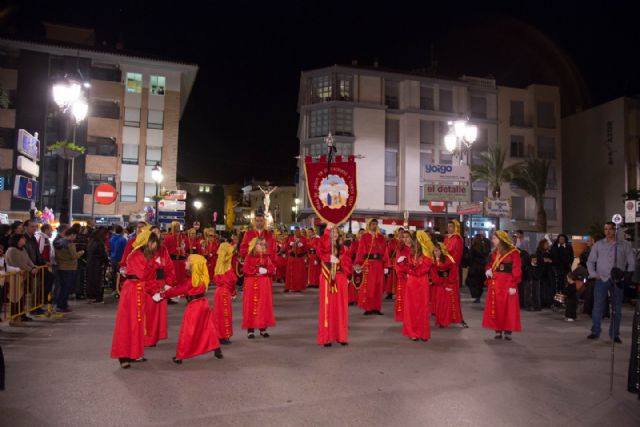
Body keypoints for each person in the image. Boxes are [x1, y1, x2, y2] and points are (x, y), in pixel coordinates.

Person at [155, 254, 223, 363]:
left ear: (193, 266)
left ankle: (180, 356)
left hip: (194, 306)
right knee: (208, 327)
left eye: (187, 261)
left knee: (188, 331)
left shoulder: (192, 281)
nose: (184, 263)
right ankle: (217, 349)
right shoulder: (201, 278)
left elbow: (179, 290)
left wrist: (162, 294)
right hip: (203, 304)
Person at [110, 229, 158, 369]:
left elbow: (149, 276)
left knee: (137, 323)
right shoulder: (137, 255)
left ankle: (134, 353)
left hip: (138, 290)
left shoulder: (146, 255)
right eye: (154, 242)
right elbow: (143, 275)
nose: (156, 245)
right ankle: (123, 355)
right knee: (127, 323)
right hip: (132, 291)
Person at [586, 221, 635, 344]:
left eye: (610, 229)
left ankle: (615, 334)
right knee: (598, 307)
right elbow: (590, 261)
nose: (608, 231)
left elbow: (632, 262)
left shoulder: (624, 245)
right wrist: (593, 274)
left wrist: (626, 276)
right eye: (605, 229)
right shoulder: (598, 245)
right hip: (601, 279)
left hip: (617, 281)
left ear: (615, 230)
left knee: (617, 309)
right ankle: (595, 331)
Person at [482, 230, 522, 341]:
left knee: (509, 308)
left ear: (501, 240)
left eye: (494, 238)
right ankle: (498, 330)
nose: (492, 240)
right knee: (497, 308)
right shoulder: (495, 252)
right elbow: (490, 264)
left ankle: (508, 331)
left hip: (508, 284)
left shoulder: (514, 252)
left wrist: (513, 284)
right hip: (496, 284)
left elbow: (517, 269)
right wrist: (488, 270)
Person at [317, 226, 351, 347]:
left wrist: (346, 275)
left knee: (341, 307)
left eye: (336, 231)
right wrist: (328, 258)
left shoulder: (343, 249)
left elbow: (347, 263)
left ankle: (341, 336)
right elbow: (320, 251)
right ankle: (327, 337)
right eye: (332, 231)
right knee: (328, 306)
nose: (334, 233)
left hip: (340, 278)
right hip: (327, 278)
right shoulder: (325, 246)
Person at [144, 225, 176, 347]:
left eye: (158, 232)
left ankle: (154, 337)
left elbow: (169, 267)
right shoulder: (144, 249)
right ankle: (147, 338)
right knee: (148, 314)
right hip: (149, 287)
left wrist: (168, 284)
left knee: (158, 315)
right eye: (154, 232)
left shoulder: (163, 250)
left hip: (160, 285)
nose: (157, 234)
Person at [242, 237, 276, 338]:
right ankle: (250, 330)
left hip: (263, 284)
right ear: (254, 245)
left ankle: (262, 328)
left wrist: (266, 271)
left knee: (263, 305)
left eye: (264, 244)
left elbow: (272, 269)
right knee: (251, 305)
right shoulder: (249, 257)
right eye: (260, 244)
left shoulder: (266, 257)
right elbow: (245, 269)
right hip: (251, 283)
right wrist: (257, 270)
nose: (263, 246)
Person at [402, 230, 433, 342]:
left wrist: (412, 269)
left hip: (422, 282)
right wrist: (408, 267)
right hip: (412, 282)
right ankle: (413, 332)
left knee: (423, 307)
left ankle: (423, 333)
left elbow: (424, 269)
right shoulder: (411, 252)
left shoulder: (427, 255)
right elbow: (408, 266)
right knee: (412, 308)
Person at [354, 218, 390, 315]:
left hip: (379, 264)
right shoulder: (364, 237)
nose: (374, 225)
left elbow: (385, 252)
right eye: (373, 224)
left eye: (375, 224)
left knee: (378, 286)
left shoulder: (381, 238)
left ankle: (377, 308)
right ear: (369, 225)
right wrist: (358, 263)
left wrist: (386, 265)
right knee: (369, 286)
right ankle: (368, 308)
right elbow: (360, 251)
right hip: (368, 264)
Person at [5, 233, 39, 324]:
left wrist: (34, 267)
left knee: (22, 297)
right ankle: (14, 318)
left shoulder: (23, 249)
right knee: (15, 298)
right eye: (23, 238)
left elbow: (28, 260)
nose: (25, 240)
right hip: (14, 277)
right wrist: (31, 269)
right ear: (17, 240)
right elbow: (18, 264)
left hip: (23, 276)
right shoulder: (12, 250)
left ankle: (20, 316)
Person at [431, 244, 467, 328]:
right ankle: (441, 321)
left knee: (451, 302)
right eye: (434, 251)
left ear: (442, 251)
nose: (435, 253)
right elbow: (433, 273)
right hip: (439, 285)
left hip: (450, 284)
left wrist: (448, 283)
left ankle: (455, 319)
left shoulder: (449, 259)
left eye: (437, 251)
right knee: (440, 303)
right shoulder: (433, 260)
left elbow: (453, 272)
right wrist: (439, 282)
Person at [23, 220, 52, 314]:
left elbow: (37, 252)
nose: (34, 228)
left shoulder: (33, 238)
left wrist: (43, 262)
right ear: (26, 227)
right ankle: (34, 307)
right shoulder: (24, 238)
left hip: (37, 265)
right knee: (34, 287)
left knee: (48, 279)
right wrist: (31, 266)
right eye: (32, 226)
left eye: (35, 226)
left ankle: (39, 304)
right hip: (30, 266)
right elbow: (26, 254)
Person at [53, 228, 85, 313]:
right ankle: (63, 305)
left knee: (62, 287)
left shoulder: (58, 242)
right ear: (71, 235)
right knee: (66, 288)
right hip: (70, 267)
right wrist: (81, 252)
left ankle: (60, 304)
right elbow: (73, 256)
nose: (75, 237)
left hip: (61, 266)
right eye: (74, 236)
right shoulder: (69, 244)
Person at [212, 241, 237, 345]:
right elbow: (231, 281)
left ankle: (218, 335)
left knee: (218, 314)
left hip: (219, 292)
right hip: (225, 293)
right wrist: (233, 292)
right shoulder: (226, 266)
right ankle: (221, 336)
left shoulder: (219, 265)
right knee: (224, 315)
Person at [393, 230, 413, 321]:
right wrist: (402, 273)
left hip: (413, 276)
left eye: (407, 237)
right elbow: (397, 264)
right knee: (403, 296)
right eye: (403, 237)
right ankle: (403, 315)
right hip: (403, 276)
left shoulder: (415, 249)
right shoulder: (400, 249)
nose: (405, 239)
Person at [86, 228, 109, 304]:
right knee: (98, 281)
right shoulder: (99, 243)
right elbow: (102, 254)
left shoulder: (91, 241)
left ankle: (92, 297)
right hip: (98, 265)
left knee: (92, 281)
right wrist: (107, 261)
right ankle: (98, 298)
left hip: (91, 264)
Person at [466, 234, 490, 303]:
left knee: (473, 282)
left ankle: (476, 296)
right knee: (480, 283)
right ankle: (478, 296)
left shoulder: (473, 247)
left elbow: (470, 257)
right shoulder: (484, 247)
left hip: (474, 267)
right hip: (482, 267)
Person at [285, 227, 308, 292]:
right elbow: (287, 247)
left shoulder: (303, 239)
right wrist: (292, 243)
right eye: (295, 231)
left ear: (299, 231)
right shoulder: (291, 238)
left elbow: (306, 248)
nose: (296, 232)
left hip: (299, 258)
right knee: (290, 273)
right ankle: (288, 287)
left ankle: (298, 288)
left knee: (299, 274)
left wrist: (300, 244)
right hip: (292, 257)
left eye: (297, 231)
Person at [535, 239, 555, 308]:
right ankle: (543, 302)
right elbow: (539, 259)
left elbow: (552, 260)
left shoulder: (549, 251)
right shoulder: (539, 251)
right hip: (542, 273)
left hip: (548, 273)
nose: (547, 245)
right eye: (546, 244)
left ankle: (548, 302)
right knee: (542, 288)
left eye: (547, 244)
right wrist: (545, 260)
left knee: (548, 288)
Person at [109, 225, 127, 292]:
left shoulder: (112, 238)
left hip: (113, 259)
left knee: (114, 275)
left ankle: (114, 288)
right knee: (121, 276)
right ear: (122, 231)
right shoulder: (123, 240)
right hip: (120, 260)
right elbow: (126, 251)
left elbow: (110, 249)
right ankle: (119, 289)